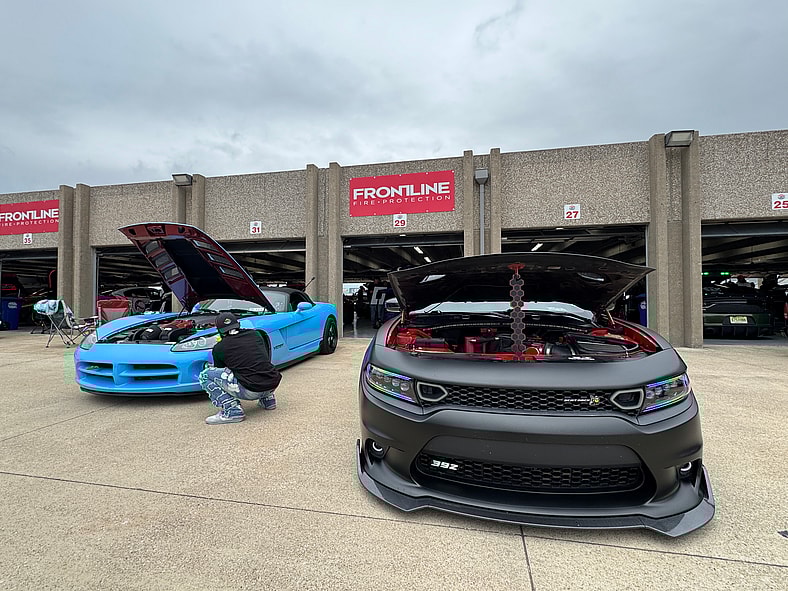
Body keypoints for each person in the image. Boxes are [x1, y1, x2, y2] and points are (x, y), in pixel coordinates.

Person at [198, 312, 282, 425]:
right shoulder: (256, 334)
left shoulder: (219, 347)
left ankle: (232, 411)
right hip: (272, 383)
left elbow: (221, 370)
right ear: (238, 324)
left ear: (219, 330)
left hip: (251, 390)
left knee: (206, 375)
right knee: (256, 364)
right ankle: (268, 400)